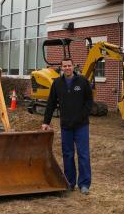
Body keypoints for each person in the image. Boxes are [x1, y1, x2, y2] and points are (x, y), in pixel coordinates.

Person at [42, 58, 93, 195]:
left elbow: (89, 101)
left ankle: (84, 184)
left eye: (69, 65)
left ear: (73, 67)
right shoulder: (57, 83)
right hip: (66, 126)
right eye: (64, 66)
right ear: (61, 68)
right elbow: (51, 103)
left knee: (83, 154)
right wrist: (46, 122)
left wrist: (83, 115)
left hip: (81, 125)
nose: (67, 68)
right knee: (67, 154)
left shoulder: (82, 82)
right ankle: (70, 182)